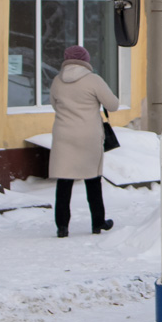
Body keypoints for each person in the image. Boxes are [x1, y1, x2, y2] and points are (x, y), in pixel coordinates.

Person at [49, 45, 119, 238]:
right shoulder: (93, 80)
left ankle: (62, 227)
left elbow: (54, 105)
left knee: (64, 181)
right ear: (85, 60)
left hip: (63, 135)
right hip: (88, 135)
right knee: (93, 179)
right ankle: (98, 223)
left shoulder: (57, 81)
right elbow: (113, 105)